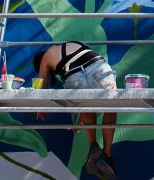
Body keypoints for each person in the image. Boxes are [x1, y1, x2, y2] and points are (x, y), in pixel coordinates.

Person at [33, 42, 118, 180]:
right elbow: (89, 72)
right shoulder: (76, 44)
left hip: (74, 75)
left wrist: (40, 107)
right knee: (111, 106)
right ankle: (107, 154)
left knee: (85, 107)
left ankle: (93, 147)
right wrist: (80, 121)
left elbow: (41, 85)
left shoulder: (46, 57)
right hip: (99, 67)